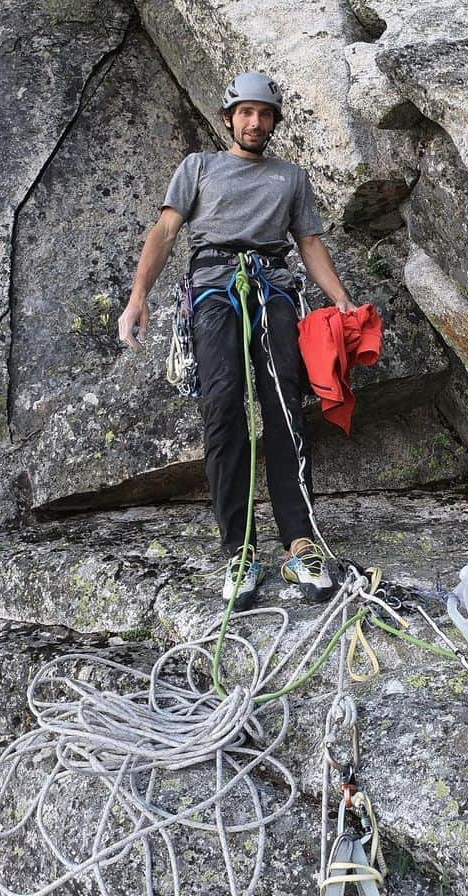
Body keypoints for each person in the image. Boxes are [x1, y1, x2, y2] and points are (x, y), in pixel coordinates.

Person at [117, 71, 357, 608]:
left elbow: (310, 242)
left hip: (271, 286)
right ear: (229, 118)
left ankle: (300, 542)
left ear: (273, 122)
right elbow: (165, 231)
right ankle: (240, 549)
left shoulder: (291, 177)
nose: (255, 121)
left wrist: (339, 299)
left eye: (265, 113)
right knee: (222, 407)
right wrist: (139, 297)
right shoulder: (199, 167)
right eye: (245, 112)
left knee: (285, 406)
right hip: (214, 290)